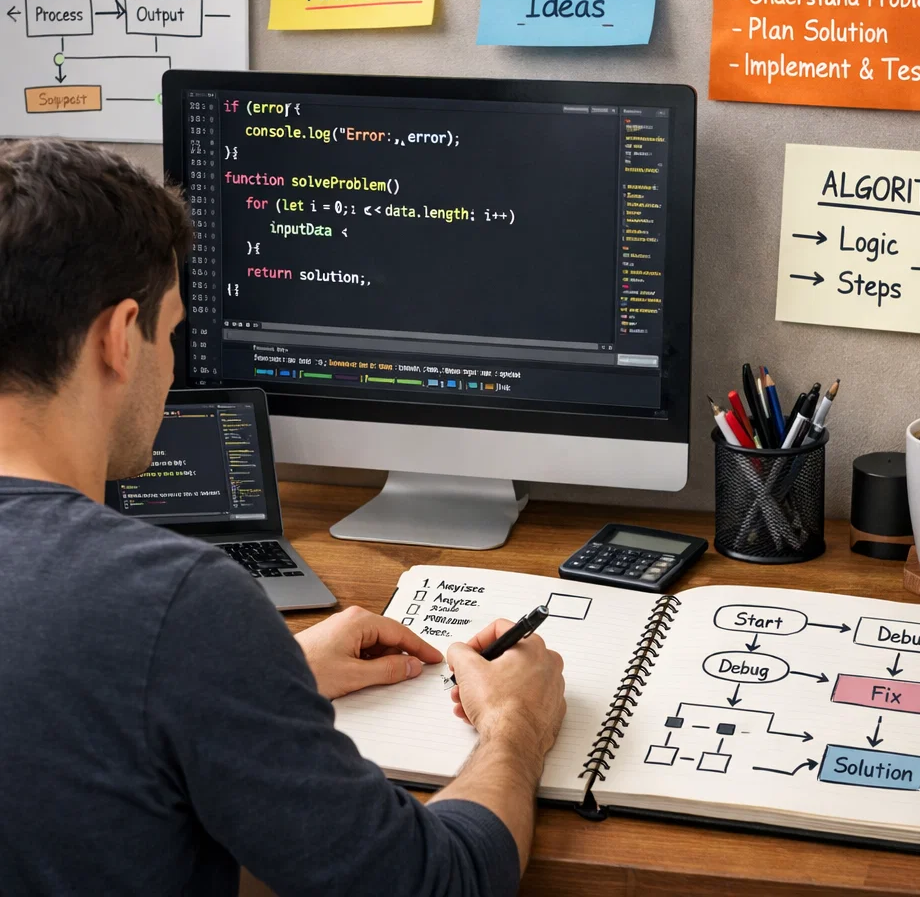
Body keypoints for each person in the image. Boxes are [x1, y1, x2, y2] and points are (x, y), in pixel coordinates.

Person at [0, 138, 566, 896]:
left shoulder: (157, 633)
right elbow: (435, 884)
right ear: (117, 337)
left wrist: (258, 684)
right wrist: (515, 727)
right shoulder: (171, 603)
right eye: (170, 332)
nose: (173, 364)